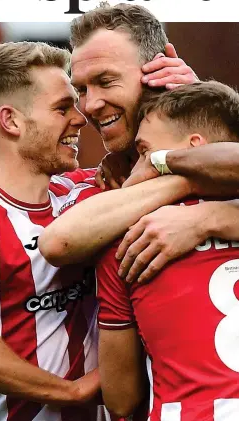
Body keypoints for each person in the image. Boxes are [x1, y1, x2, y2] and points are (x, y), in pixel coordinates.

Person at [0, 38, 198, 420]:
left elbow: (199, 160)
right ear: (11, 121)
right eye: (61, 107)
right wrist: (74, 391)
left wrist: (188, 93)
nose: (80, 117)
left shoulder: (91, 190)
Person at [40, 2, 239, 279]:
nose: (90, 105)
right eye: (82, 89)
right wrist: (184, 173)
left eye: (106, 81)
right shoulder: (102, 184)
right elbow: (58, 243)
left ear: (163, 63)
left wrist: (207, 110)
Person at [96, 81, 239, 420]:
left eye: (143, 152)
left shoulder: (130, 240)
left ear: (194, 149)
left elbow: (120, 399)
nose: (136, 166)